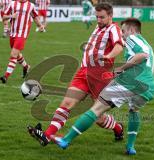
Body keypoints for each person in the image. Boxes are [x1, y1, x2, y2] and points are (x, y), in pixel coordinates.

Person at [53, 18, 154, 155]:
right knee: (134, 110)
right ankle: (130, 147)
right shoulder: (147, 43)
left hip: (130, 82)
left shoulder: (133, 38)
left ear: (132, 30)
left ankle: (65, 140)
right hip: (147, 87)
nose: (122, 35)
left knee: (96, 110)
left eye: (123, 31)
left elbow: (142, 55)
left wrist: (121, 69)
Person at [27, 3, 125, 146]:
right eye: (97, 17)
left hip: (99, 76)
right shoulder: (99, 27)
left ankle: (118, 128)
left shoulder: (113, 28)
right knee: (67, 103)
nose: (98, 20)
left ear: (110, 16)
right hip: (83, 72)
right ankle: (47, 135)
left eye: (102, 17)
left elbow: (119, 46)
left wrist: (108, 56)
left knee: (98, 117)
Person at [0, 0, 44, 83]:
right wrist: (12, 16)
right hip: (12, 34)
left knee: (13, 54)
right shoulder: (12, 4)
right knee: (17, 54)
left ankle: (6, 76)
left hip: (22, 34)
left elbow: (35, 17)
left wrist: (40, 25)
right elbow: (4, 17)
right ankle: (26, 67)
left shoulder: (31, 5)